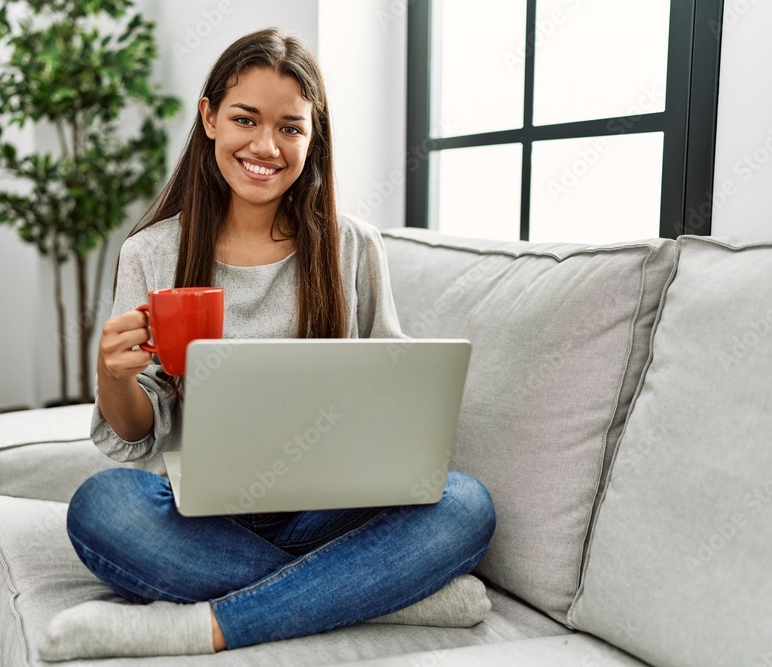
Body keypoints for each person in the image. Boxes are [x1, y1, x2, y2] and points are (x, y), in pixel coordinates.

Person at [39, 28, 496, 662]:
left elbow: (396, 392)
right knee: (101, 508)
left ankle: (214, 624)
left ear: (314, 138)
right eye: (244, 120)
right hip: (197, 515)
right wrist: (112, 377)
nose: (265, 146)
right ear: (208, 118)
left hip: (329, 509)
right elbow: (136, 431)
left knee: (466, 504)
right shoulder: (151, 253)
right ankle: (383, 590)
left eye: (290, 128)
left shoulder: (353, 246)